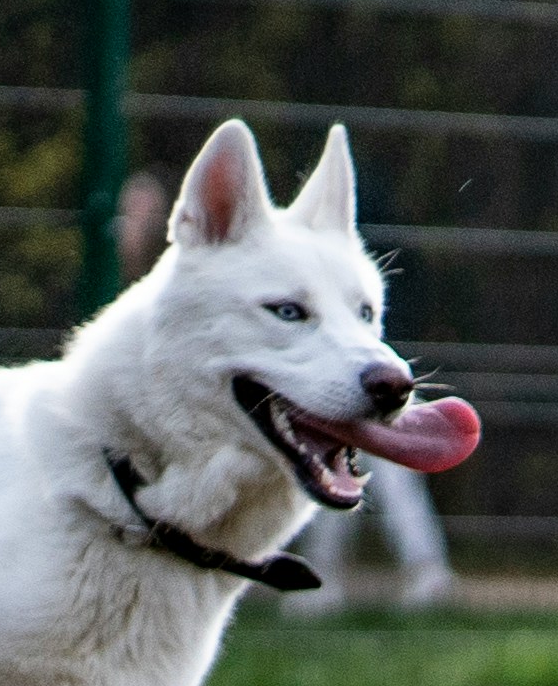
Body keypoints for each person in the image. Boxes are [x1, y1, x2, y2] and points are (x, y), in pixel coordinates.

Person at [127, 162, 455, 608]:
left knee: (364, 467)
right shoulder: (188, 268)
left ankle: (417, 569)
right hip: (320, 375)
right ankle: (347, 577)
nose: (127, 222)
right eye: (127, 211)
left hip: (347, 368)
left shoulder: (263, 247)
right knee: (340, 462)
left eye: (137, 209)